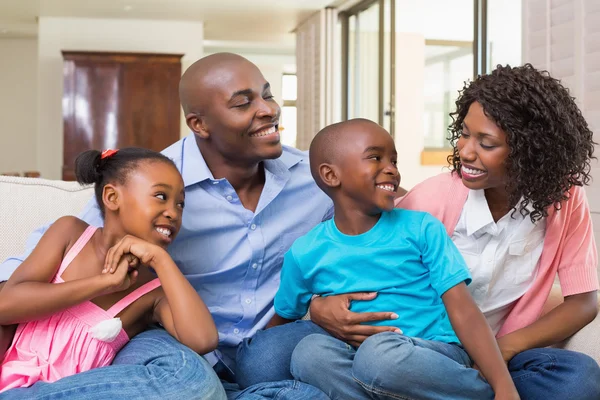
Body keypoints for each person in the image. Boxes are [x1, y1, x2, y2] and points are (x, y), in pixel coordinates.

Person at [0, 53, 335, 399]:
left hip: (257, 354)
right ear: (199, 124)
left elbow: (383, 206)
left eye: (268, 95)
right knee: (190, 382)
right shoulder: (149, 177)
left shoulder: (318, 178)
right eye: (243, 103)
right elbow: (51, 262)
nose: (268, 110)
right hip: (167, 348)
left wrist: (161, 260)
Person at [299, 64, 600, 399]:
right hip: (419, 347)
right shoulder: (431, 199)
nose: (465, 151)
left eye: (486, 143)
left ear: (531, 152)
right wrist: (320, 305)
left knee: (578, 377)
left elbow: (584, 302)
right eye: (465, 133)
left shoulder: (564, 198)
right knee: (323, 355)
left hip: (498, 353)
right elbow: (359, 262)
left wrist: (506, 347)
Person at [265, 118, 519, 399]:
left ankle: (479, 395)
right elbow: (282, 320)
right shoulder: (305, 252)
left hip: (432, 354)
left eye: (394, 161)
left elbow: (463, 308)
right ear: (330, 175)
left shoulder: (422, 228)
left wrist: (503, 384)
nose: (392, 169)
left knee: (379, 355)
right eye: (375, 157)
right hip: (358, 361)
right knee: (308, 353)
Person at [0, 148, 224, 399]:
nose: (173, 213)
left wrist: (161, 259)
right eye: (161, 196)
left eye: (180, 204)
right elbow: (5, 305)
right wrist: (103, 283)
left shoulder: (153, 292)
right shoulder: (70, 234)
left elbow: (202, 340)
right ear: (112, 197)